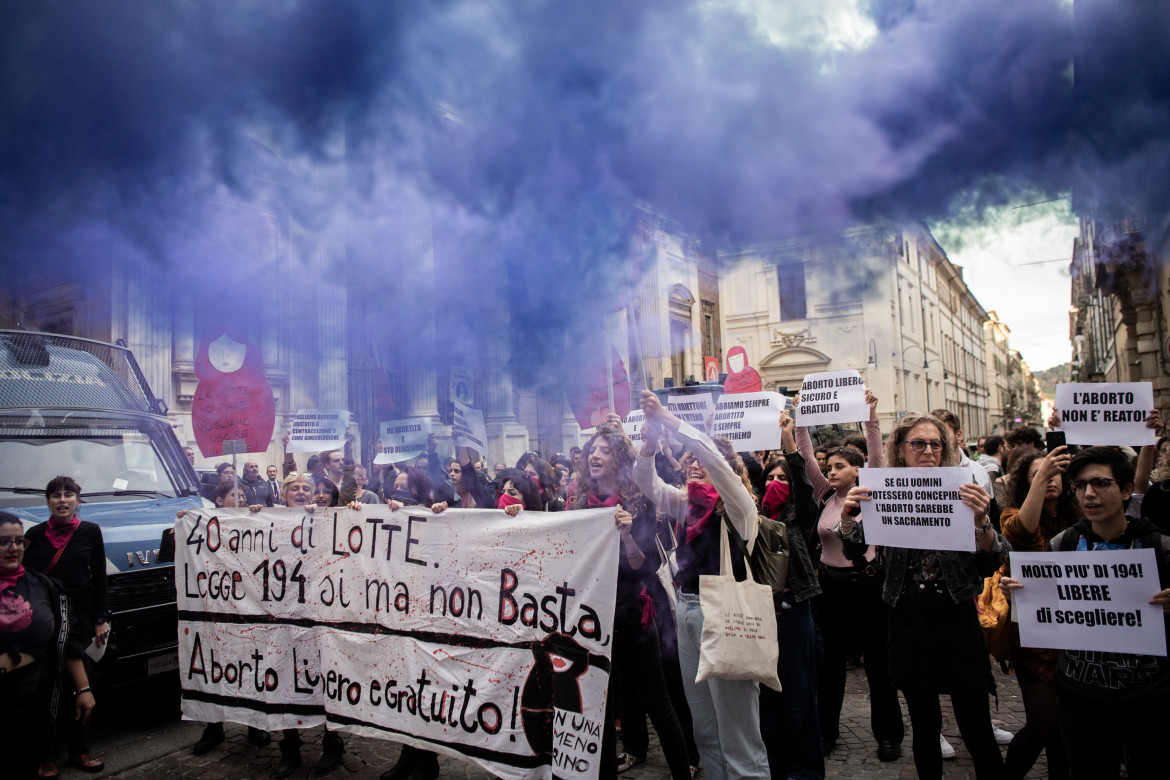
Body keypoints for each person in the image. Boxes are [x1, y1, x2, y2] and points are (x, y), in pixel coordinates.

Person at [841, 412, 1006, 780]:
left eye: (936, 443)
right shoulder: (885, 491)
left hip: (955, 614)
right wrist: (849, 515)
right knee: (924, 727)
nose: (928, 450)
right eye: (918, 443)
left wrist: (982, 523)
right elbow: (855, 550)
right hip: (907, 616)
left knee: (976, 726)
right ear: (900, 449)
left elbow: (993, 559)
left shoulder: (965, 489)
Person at [1001, 446, 1170, 780]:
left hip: (1147, 699)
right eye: (1080, 485)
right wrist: (1021, 594)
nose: (1089, 493)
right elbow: (1050, 608)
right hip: (1081, 697)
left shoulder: (1159, 547)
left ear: (1125, 490)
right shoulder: (1062, 545)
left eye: (1101, 484)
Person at [633, 389, 770, 780]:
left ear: (726, 471)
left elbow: (709, 450)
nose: (693, 465)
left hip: (724, 614)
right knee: (706, 731)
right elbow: (645, 481)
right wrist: (647, 445)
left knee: (739, 737)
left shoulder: (740, 507)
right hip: (687, 611)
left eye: (700, 462)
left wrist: (669, 420)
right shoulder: (686, 504)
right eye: (689, 461)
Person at [572, 423, 692, 780]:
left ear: (618, 460)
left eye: (604, 451)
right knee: (604, 706)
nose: (595, 455)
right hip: (595, 618)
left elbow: (647, 570)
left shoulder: (636, 503)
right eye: (593, 449)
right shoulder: (581, 503)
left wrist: (626, 538)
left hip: (633, 616)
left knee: (657, 702)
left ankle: (683, 771)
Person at [796, 390, 904, 764]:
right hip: (829, 588)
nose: (831, 472)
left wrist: (872, 415)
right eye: (831, 468)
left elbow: (876, 454)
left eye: (839, 466)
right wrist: (800, 418)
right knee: (830, 667)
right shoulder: (826, 496)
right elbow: (807, 457)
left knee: (878, 664)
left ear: (857, 471)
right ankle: (826, 732)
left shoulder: (869, 493)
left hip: (867, 586)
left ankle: (889, 735)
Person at [997, 447, 1076, 780]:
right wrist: (1040, 481)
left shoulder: (1080, 518)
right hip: (1035, 638)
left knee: (1064, 726)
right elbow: (1022, 533)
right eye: (1038, 474)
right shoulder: (1012, 515)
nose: (1049, 479)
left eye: (1054, 472)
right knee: (1042, 724)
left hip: (1077, 635)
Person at [23, 477, 109, 775]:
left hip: (81, 620)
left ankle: (79, 750)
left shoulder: (90, 532)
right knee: (44, 686)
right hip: (45, 620)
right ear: (48, 501)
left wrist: (101, 618)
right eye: (56, 495)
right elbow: (28, 580)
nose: (62, 500)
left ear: (77, 500)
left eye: (68, 494)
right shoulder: (33, 535)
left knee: (82, 684)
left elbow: (99, 576)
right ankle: (45, 753)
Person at [756, 411, 824, 779]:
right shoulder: (752, 515)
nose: (776, 482)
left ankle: (804, 770)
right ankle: (774, 765)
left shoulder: (801, 514)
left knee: (798, 696)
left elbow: (802, 482)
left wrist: (789, 446)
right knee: (767, 696)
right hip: (760, 613)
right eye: (771, 477)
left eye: (782, 478)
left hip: (794, 609)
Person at [1, 512, 94, 780]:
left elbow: (64, 640)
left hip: (32, 699)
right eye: (5, 541)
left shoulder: (44, 586)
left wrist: (83, 688)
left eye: (19, 541)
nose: (14, 548)